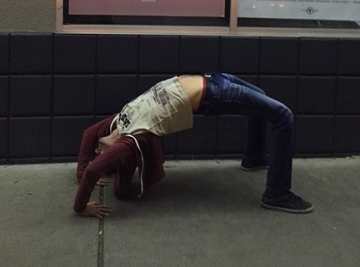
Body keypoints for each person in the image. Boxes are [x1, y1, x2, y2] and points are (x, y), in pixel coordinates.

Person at [74, 73, 313, 218]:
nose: (98, 152)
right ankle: (276, 194)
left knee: (261, 99)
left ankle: (254, 158)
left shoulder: (118, 121)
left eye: (97, 151)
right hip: (215, 95)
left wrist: (81, 171)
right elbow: (105, 176)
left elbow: (87, 135)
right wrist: (81, 207)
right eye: (99, 154)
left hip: (212, 78)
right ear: (111, 156)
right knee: (284, 116)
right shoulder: (128, 141)